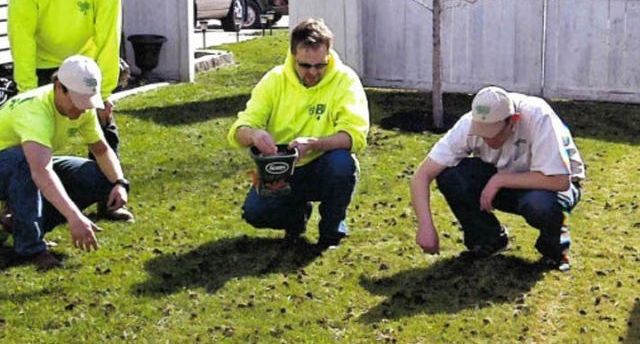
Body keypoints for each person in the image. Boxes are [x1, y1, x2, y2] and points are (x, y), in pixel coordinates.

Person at [6, 0, 131, 221]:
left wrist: (105, 94)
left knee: (103, 125)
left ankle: (111, 197)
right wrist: (27, 92)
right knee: (29, 131)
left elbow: (109, 42)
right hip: (41, 60)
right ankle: (14, 202)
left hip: (82, 61)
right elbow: (21, 37)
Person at [0, 56, 132, 270]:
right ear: (59, 87)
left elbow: (101, 150)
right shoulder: (34, 111)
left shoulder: (85, 109)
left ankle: (23, 223)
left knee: (98, 177)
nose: (82, 109)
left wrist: (119, 183)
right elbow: (40, 171)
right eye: (78, 101)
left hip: (32, 163)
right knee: (26, 165)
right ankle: (31, 248)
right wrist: (74, 217)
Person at [227, 18, 370, 249]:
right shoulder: (274, 80)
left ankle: (332, 231)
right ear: (293, 55)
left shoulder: (345, 80)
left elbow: (355, 137)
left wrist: (314, 143)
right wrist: (254, 135)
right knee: (255, 213)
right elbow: (238, 131)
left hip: (323, 163)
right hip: (281, 170)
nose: (313, 72)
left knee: (342, 163)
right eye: (305, 66)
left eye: (320, 65)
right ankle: (296, 215)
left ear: (328, 55)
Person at [410, 86, 585, 271]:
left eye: (494, 133)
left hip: (552, 186)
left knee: (540, 204)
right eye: (481, 133)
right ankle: (488, 239)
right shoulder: (467, 124)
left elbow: (560, 180)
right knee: (451, 176)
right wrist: (425, 226)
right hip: (506, 180)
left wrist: (499, 181)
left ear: (513, 121)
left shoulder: (538, 116)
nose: (487, 140)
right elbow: (422, 175)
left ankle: (555, 250)